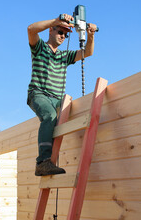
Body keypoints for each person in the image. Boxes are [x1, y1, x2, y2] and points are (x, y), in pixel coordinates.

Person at [27, 14, 97, 176]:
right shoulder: (39, 48)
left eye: (66, 35)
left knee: (74, 112)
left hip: (57, 98)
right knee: (50, 116)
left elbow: (88, 52)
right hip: (39, 94)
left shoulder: (64, 56)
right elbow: (31, 29)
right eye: (60, 32)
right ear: (51, 30)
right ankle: (43, 162)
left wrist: (91, 35)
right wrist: (55, 21)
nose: (63, 37)